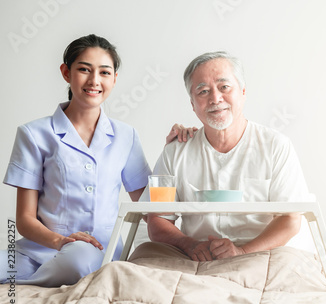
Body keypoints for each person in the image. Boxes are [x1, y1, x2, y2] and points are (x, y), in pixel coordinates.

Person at [0, 34, 191, 287]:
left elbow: (148, 209)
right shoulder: (33, 134)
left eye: (104, 72)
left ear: (114, 79)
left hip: (96, 251)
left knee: (78, 258)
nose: (94, 81)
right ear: (66, 73)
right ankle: (39, 277)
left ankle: (22, 286)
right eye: (84, 70)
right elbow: (25, 220)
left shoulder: (125, 136)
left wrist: (172, 150)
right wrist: (60, 241)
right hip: (37, 250)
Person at [143, 51, 314, 262]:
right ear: (192, 104)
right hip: (196, 258)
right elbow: (158, 221)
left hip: (262, 257)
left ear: (242, 92)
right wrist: (190, 245)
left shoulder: (276, 146)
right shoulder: (174, 151)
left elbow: (290, 220)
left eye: (224, 87)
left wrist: (242, 252)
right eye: (203, 91)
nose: (215, 98)